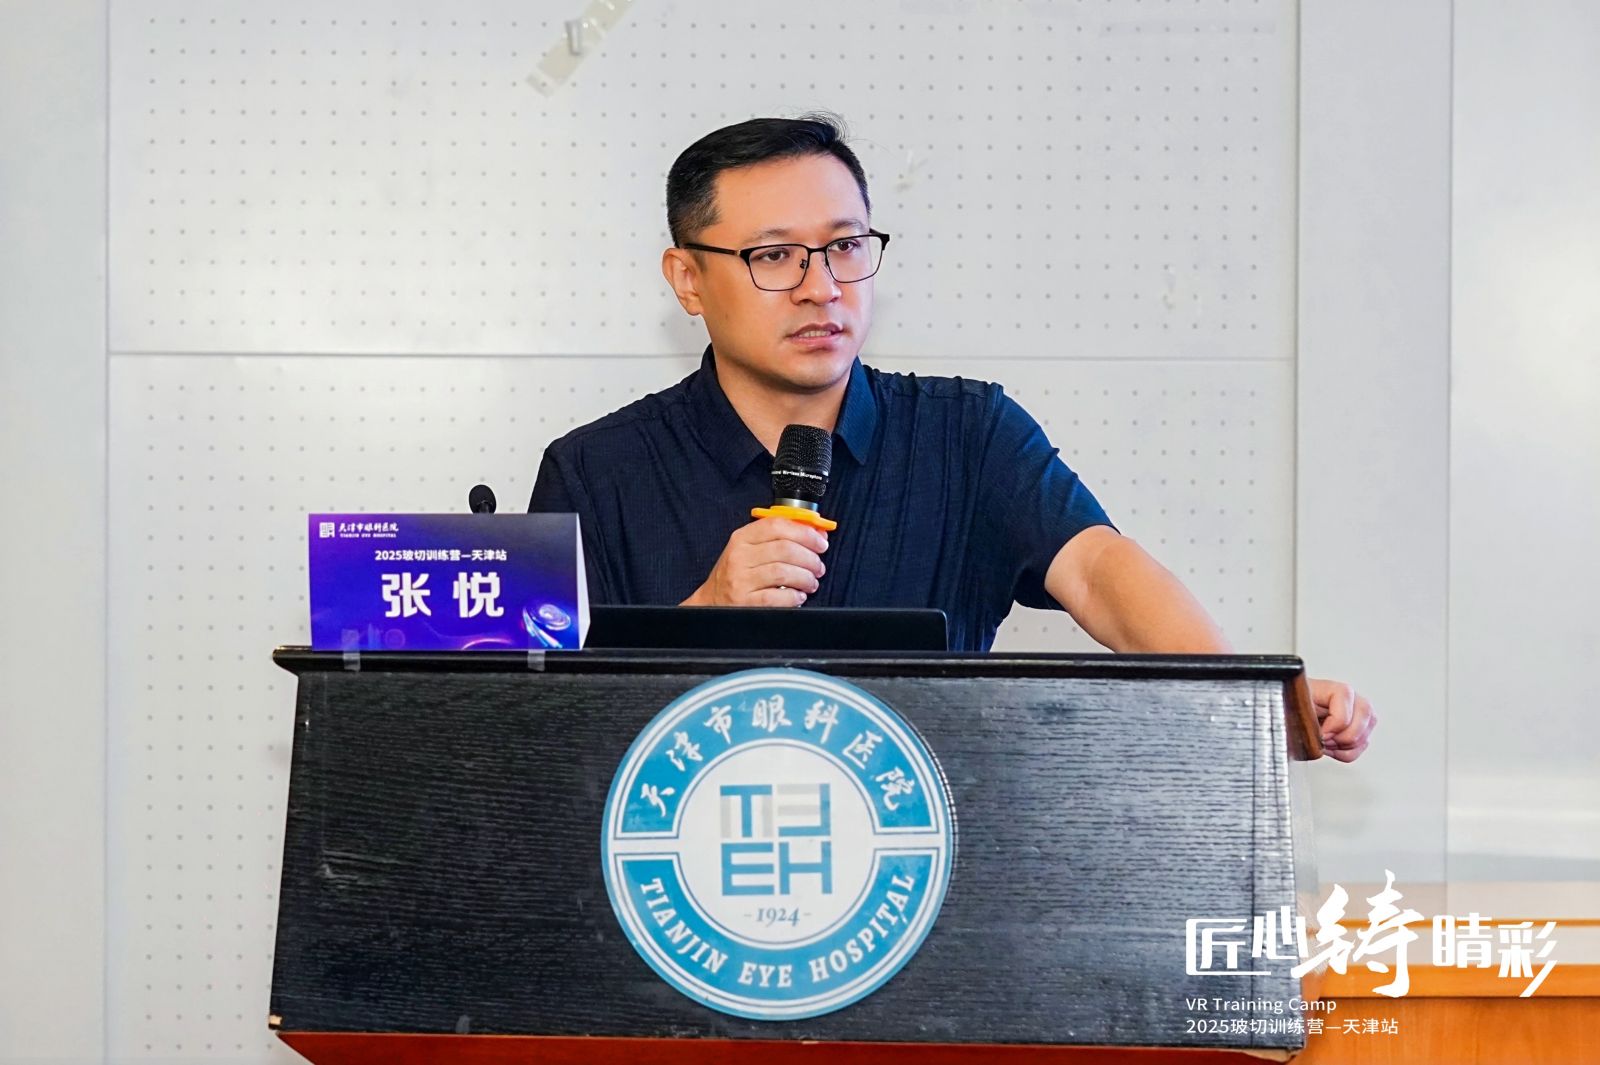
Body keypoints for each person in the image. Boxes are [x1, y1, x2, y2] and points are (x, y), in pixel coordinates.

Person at [529, 113, 1375, 762]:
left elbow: (1098, 569)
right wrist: (705, 614)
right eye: (776, 256)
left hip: (933, 882)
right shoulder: (594, 471)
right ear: (687, 279)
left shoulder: (968, 433)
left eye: (845, 246)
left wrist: (1243, 702)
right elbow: (535, 729)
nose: (822, 287)